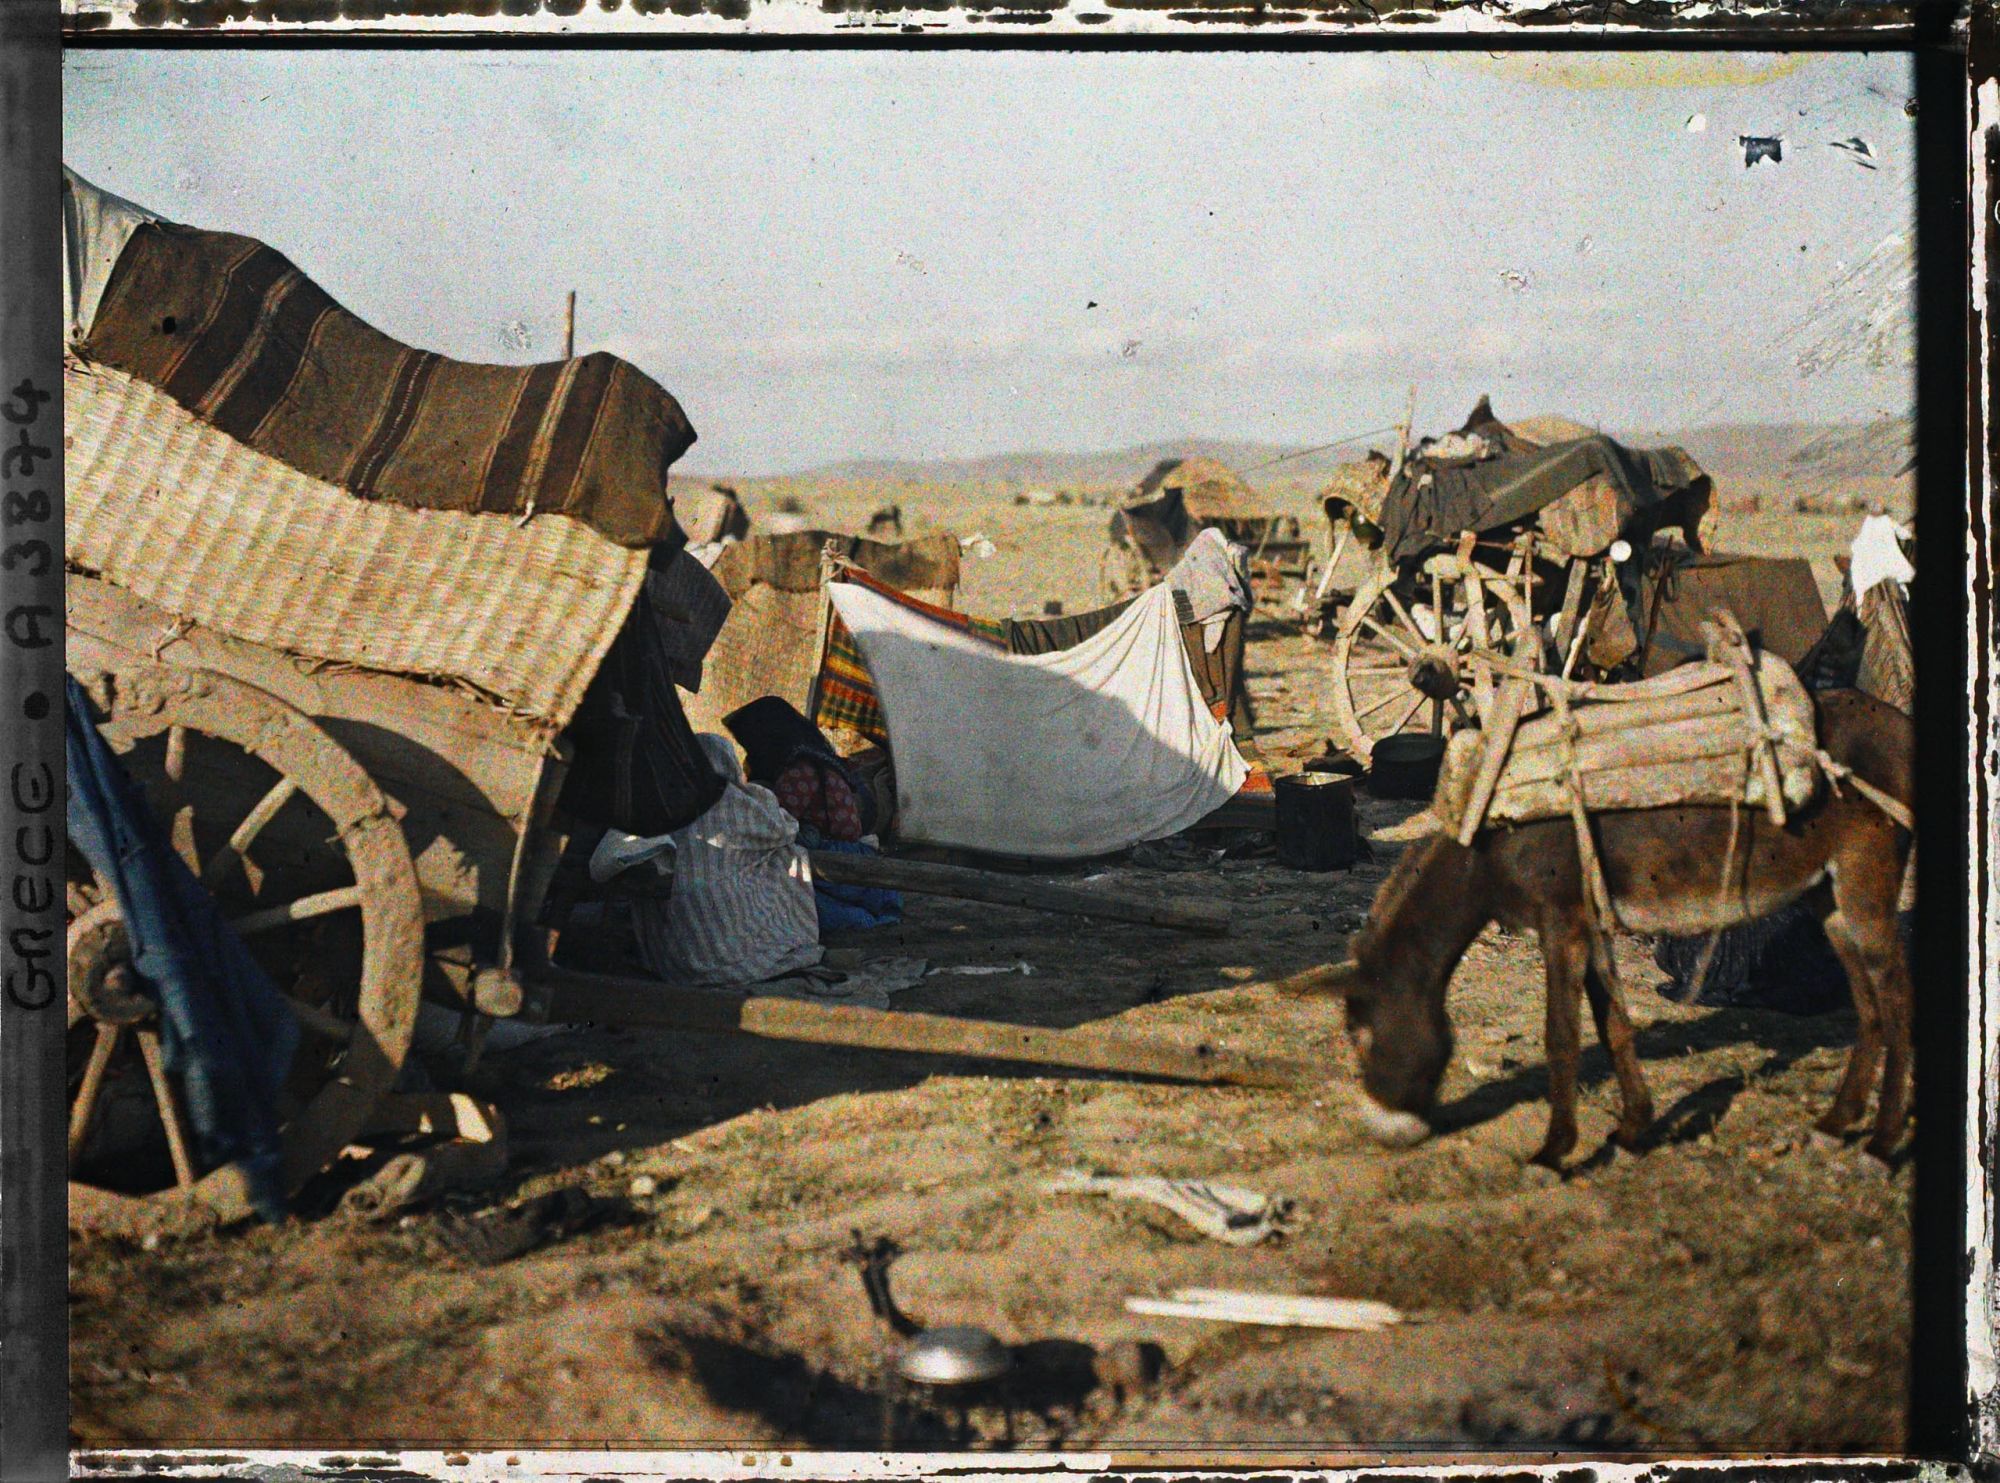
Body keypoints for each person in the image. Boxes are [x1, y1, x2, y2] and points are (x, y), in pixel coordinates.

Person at [626, 733, 824, 988]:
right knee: (787, 857)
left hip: (677, 960)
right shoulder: (730, 800)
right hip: (727, 955)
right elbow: (785, 829)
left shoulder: (662, 799)